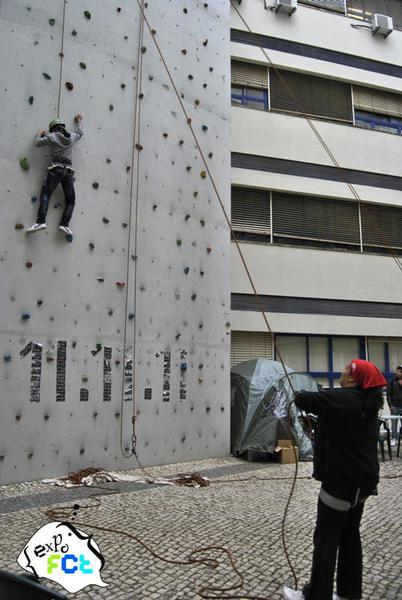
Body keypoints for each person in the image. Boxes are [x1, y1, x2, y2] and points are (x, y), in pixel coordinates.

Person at [283, 359, 386, 600]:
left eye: (345, 369)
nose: (341, 372)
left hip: (341, 483)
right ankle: (349, 594)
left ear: (353, 378)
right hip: (364, 485)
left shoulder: (343, 399)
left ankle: (316, 596)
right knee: (350, 536)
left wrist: (297, 393)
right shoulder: (367, 404)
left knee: (326, 539)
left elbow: (305, 399)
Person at [26, 114, 83, 236]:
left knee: (46, 194)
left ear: (52, 128)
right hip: (68, 171)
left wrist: (39, 133)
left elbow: (38, 143)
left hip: (55, 169)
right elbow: (79, 132)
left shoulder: (52, 137)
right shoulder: (72, 137)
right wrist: (79, 121)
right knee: (71, 200)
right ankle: (64, 224)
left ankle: (41, 221)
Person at [387, 365, 402, 445]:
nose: (398, 373)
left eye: (400, 372)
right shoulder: (392, 381)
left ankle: (400, 438)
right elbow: (388, 395)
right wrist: (390, 406)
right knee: (394, 425)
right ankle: (394, 438)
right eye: (397, 371)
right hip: (395, 406)